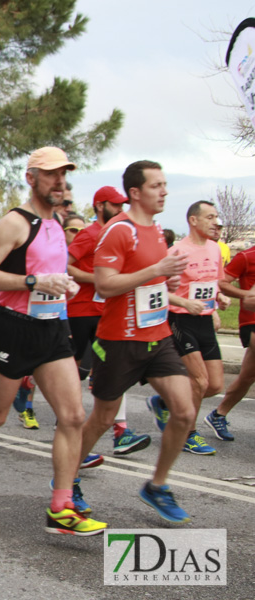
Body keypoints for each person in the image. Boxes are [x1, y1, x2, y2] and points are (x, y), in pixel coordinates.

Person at [0, 146, 105, 536]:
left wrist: (64, 294)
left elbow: (51, 274)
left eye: (64, 174)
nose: (60, 181)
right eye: (51, 174)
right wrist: (32, 282)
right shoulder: (15, 222)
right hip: (14, 328)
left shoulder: (57, 222)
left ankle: (61, 505)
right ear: (32, 178)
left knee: (73, 416)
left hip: (51, 330)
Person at [79, 160, 196, 524]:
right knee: (102, 418)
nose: (164, 191)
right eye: (156, 186)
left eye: (164, 185)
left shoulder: (157, 231)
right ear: (135, 192)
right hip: (119, 340)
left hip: (156, 336)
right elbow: (105, 284)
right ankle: (68, 479)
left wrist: (168, 285)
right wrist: (155, 272)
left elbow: (150, 282)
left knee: (185, 410)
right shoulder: (118, 230)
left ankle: (157, 486)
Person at [65, 186, 150, 456]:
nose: (121, 209)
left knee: (115, 366)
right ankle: (63, 416)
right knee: (74, 370)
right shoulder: (89, 234)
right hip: (81, 310)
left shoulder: (123, 232)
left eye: (123, 204)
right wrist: (98, 279)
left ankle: (120, 431)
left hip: (107, 312)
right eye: (115, 205)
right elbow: (65, 264)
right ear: (100, 206)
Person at [145, 201, 225, 456]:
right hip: (181, 320)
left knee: (215, 385)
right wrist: (184, 302)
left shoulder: (214, 249)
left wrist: (219, 299)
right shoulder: (176, 251)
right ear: (193, 220)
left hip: (204, 320)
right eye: (210, 217)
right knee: (199, 381)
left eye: (216, 217)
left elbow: (213, 282)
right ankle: (188, 435)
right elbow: (156, 290)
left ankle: (163, 401)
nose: (215, 222)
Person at [206, 235, 255, 442]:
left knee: (247, 377)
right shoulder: (246, 256)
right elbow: (222, 282)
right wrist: (246, 295)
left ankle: (218, 414)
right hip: (251, 321)